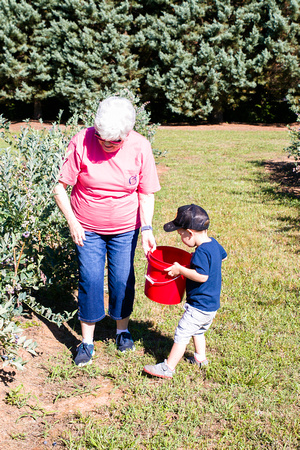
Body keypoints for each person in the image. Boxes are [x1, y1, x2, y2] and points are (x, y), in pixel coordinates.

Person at [53, 96, 161, 366]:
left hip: (125, 228)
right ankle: (87, 342)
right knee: (89, 280)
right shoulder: (81, 140)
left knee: (122, 278)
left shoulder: (140, 146)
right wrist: (73, 222)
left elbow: (146, 193)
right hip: (86, 227)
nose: (106, 144)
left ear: (127, 134)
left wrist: (146, 227)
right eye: (102, 138)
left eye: (114, 142)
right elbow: (59, 188)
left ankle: (122, 330)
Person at [143, 204, 227, 379]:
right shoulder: (213, 244)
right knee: (199, 331)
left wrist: (181, 270)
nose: (181, 238)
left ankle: (168, 367)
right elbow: (223, 256)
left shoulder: (201, 252)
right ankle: (200, 358)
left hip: (198, 306)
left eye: (181, 235)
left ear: (190, 233)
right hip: (211, 306)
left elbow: (201, 276)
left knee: (182, 334)